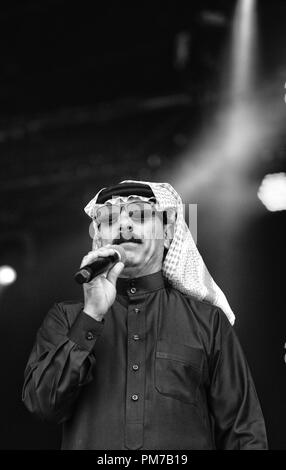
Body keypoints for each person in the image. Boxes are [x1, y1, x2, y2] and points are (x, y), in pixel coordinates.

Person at [22, 180, 268, 450]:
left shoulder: (208, 322)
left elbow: (244, 433)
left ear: (167, 231)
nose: (124, 225)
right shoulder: (67, 318)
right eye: (110, 218)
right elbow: (43, 405)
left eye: (139, 214)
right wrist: (91, 315)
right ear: (99, 238)